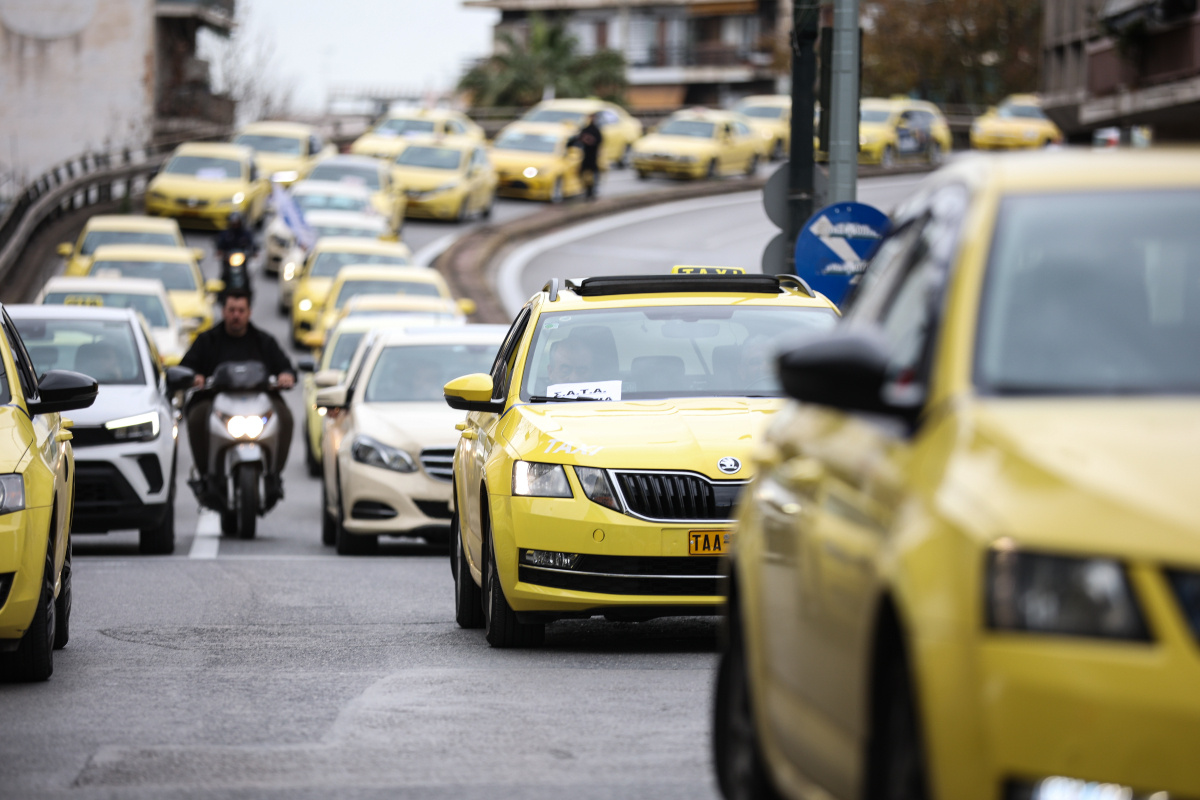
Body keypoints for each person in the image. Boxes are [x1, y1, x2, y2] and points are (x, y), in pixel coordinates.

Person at [180, 288, 295, 502]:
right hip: (214, 400)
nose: (236, 315)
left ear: (249, 312)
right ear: (223, 311)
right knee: (196, 417)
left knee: (285, 418)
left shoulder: (264, 341)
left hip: (259, 401)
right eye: (232, 310)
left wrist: (286, 375)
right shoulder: (207, 340)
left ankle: (274, 475)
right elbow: (186, 367)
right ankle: (206, 475)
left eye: (241, 310)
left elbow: (285, 367)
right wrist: (195, 377)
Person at [570, 113, 604, 201]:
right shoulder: (585, 130)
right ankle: (586, 190)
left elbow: (598, 142)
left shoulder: (596, 131)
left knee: (592, 175)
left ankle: (591, 191)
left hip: (593, 157)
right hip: (585, 156)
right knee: (583, 174)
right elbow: (576, 140)